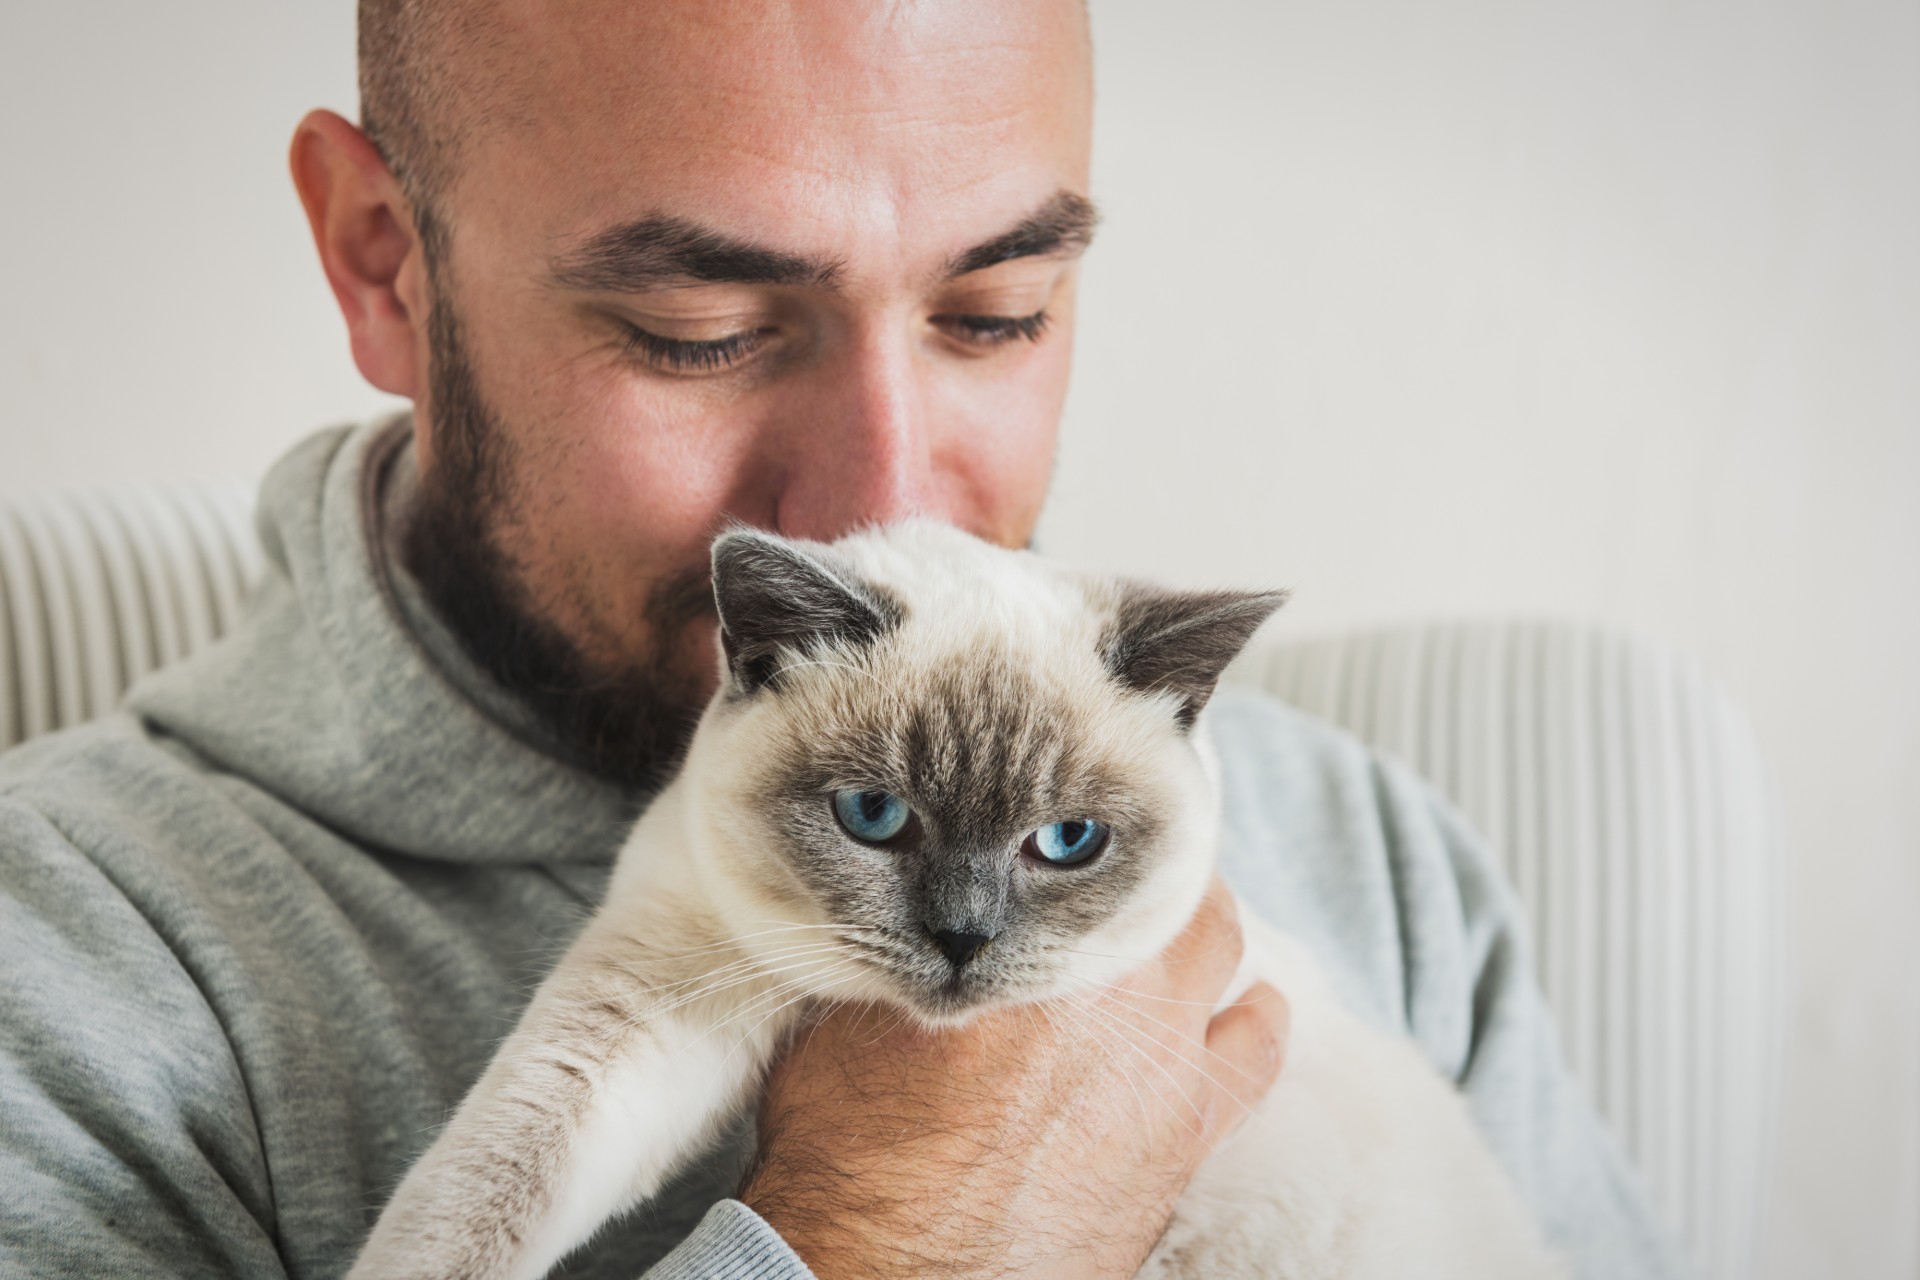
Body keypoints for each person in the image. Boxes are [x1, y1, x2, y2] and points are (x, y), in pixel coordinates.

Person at [0, 1, 1682, 1276]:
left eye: (996, 314)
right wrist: (879, 1238)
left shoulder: (1376, 852)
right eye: (702, 331)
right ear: (385, 265)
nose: (881, 495)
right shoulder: (71, 968)